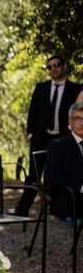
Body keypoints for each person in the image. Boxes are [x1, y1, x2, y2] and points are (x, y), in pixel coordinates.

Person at [14, 55, 82, 216]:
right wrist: (31, 134)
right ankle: (22, 210)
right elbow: (32, 112)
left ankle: (58, 208)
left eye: (57, 65)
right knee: (33, 175)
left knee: (61, 174)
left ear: (64, 66)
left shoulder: (75, 89)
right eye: (50, 67)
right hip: (41, 139)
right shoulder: (41, 88)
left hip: (63, 139)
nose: (54, 69)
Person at [45, 102, 83, 221]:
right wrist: (81, 187)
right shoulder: (57, 146)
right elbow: (52, 178)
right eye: (78, 119)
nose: (82, 123)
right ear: (69, 122)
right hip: (68, 198)